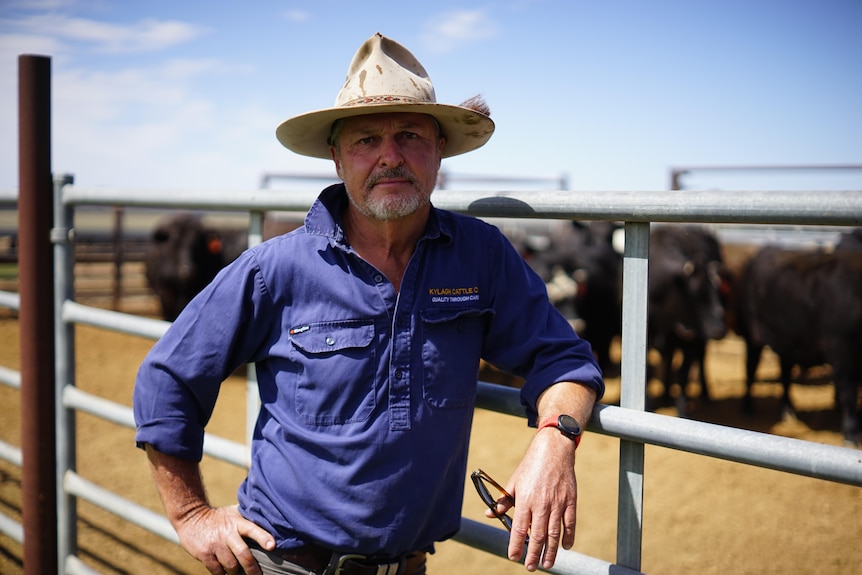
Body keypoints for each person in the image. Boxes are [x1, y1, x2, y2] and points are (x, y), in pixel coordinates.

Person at [134, 32, 604, 575]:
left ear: (439, 151)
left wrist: (556, 439)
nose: (390, 157)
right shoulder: (275, 269)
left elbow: (564, 360)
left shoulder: (481, 257)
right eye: (365, 141)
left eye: (409, 135)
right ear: (336, 158)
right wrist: (191, 513)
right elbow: (168, 377)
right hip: (286, 563)